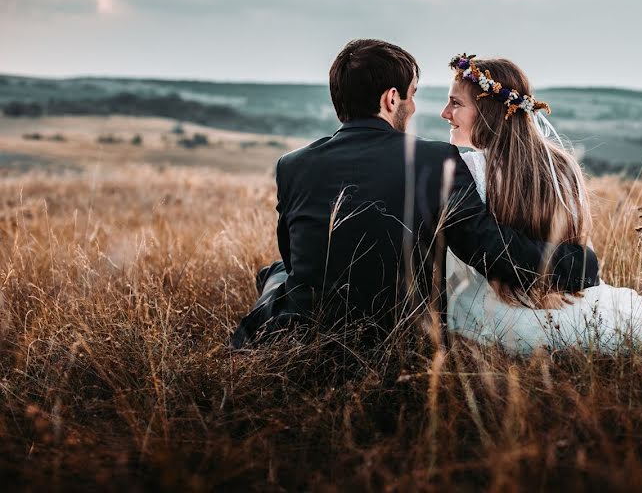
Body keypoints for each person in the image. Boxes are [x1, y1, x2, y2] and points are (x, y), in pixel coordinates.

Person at [229, 40, 599, 348]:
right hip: (398, 336)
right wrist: (577, 264)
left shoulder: (292, 164)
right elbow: (493, 251)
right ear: (392, 99)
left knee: (278, 273)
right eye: (413, 94)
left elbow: (295, 257)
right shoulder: (435, 160)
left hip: (303, 334)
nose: (419, 106)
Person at [441, 54, 642, 355]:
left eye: (456, 103)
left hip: (490, 314)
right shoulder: (563, 165)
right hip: (566, 304)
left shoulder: (467, 169)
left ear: (486, 111)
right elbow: (574, 242)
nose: (445, 113)